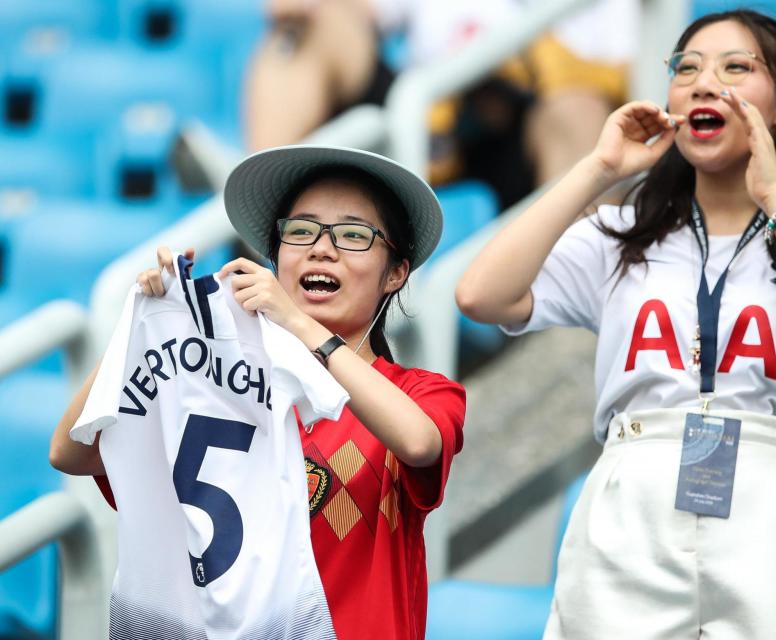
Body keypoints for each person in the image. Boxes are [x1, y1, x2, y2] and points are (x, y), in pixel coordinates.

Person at [456, 9, 776, 640]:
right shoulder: (618, 235)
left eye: (735, 68)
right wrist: (601, 169)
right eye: (686, 68)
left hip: (768, 499)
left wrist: (775, 198)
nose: (703, 83)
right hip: (632, 487)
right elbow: (479, 294)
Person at [50, 145, 466, 640]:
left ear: (396, 273)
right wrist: (144, 329)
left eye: (354, 235)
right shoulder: (216, 386)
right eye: (301, 230)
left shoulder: (421, 392)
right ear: (275, 256)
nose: (321, 248)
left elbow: (419, 442)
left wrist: (297, 325)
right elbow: (71, 452)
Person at [244, 0, 638, 207]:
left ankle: (573, 321)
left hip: (533, 119)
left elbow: (632, 78)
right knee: (304, 29)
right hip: (425, 114)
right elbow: (357, 10)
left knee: (581, 115)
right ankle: (258, 204)